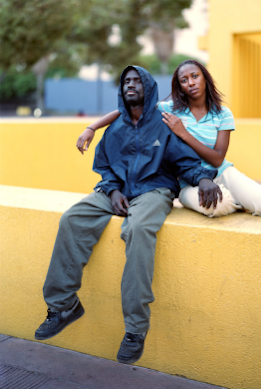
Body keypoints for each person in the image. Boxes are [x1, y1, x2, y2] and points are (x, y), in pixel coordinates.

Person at [35, 65, 222, 365]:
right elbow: (105, 166)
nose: (131, 85)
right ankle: (63, 306)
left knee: (135, 230)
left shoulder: (163, 125)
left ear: (148, 88)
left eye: (137, 80)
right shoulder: (116, 128)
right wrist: (111, 191)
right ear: (121, 90)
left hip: (154, 190)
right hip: (118, 192)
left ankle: (135, 329)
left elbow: (184, 162)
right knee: (72, 219)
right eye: (126, 81)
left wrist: (203, 178)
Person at [77, 60, 261, 218]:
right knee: (218, 206)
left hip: (222, 173)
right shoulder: (170, 109)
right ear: (180, 86)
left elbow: (217, 159)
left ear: (205, 77)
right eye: (184, 80)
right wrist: (92, 127)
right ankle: (237, 200)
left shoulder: (223, 114)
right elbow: (126, 110)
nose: (190, 83)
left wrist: (183, 133)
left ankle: (245, 197)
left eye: (195, 76)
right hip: (187, 181)